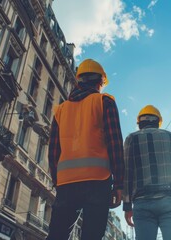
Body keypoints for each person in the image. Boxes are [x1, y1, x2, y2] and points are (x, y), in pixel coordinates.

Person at [46, 59, 124, 240]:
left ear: (78, 81)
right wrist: (119, 184)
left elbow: (53, 151)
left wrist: (58, 181)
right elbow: (115, 144)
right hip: (98, 180)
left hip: (66, 182)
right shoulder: (104, 101)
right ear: (100, 82)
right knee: (91, 235)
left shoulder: (61, 110)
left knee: (57, 235)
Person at [123, 105, 171, 240]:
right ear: (158, 121)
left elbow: (127, 174)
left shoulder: (131, 139)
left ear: (140, 122)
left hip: (142, 203)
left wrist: (127, 205)